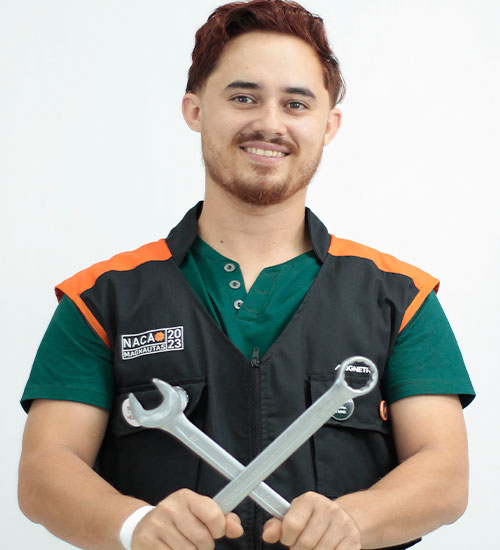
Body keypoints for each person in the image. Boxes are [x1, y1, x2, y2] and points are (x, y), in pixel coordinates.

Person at [18, 1, 475, 549]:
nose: (270, 124)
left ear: (328, 125)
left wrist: (355, 520)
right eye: (243, 98)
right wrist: (135, 524)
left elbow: (444, 473)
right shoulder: (100, 299)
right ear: (194, 110)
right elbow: (45, 471)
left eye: (296, 104)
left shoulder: (402, 297)